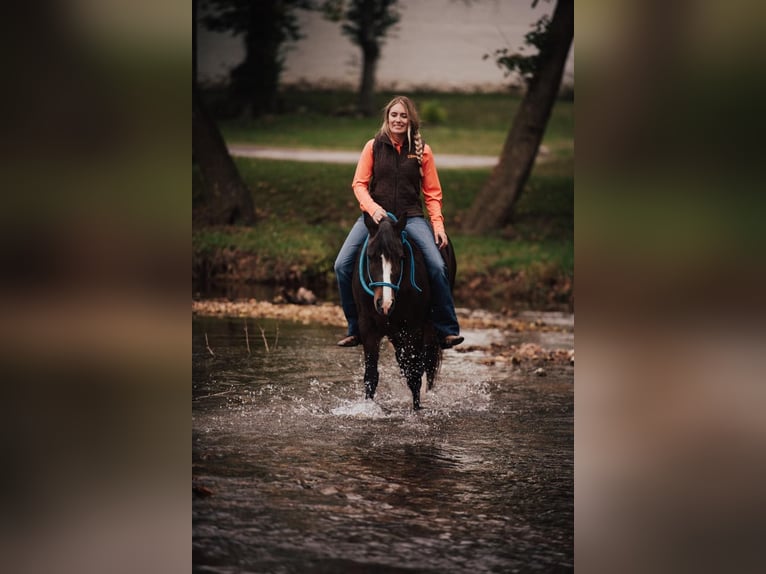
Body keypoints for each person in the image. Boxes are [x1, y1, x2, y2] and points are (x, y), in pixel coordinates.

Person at [334, 95, 464, 349]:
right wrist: (373, 209)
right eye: (394, 115)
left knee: (438, 266)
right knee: (341, 265)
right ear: (387, 118)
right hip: (374, 219)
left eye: (403, 116)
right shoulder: (372, 147)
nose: (398, 120)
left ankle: (445, 328)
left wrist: (437, 226)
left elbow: (432, 194)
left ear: (410, 120)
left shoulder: (422, 151)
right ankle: (355, 328)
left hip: (411, 218)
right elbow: (359, 185)